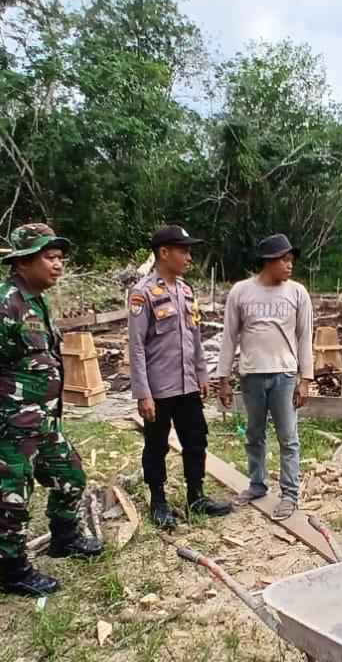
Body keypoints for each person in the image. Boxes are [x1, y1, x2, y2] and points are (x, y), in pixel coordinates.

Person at [0, 223, 102, 599]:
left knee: (70, 476)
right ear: (22, 261)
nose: (58, 265)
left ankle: (64, 537)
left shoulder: (36, 302)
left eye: (60, 258)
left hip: (43, 422)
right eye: (49, 258)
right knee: (11, 499)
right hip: (7, 426)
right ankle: (13, 571)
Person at [129, 224, 232, 530]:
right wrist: (143, 393)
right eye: (183, 250)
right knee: (157, 445)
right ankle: (158, 501)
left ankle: (195, 495)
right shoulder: (142, 294)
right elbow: (135, 347)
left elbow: (195, 337)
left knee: (196, 438)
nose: (189, 256)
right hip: (159, 389)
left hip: (187, 384)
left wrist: (202, 374)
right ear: (164, 252)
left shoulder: (186, 291)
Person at [215, 234, 314, 521]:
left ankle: (289, 494)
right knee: (254, 434)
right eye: (285, 260)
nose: (290, 265)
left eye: (291, 260)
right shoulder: (241, 292)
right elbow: (229, 338)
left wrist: (305, 379)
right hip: (251, 375)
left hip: (284, 374)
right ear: (268, 261)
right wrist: (223, 378)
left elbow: (305, 337)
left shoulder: (297, 293)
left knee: (288, 437)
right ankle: (257, 485)